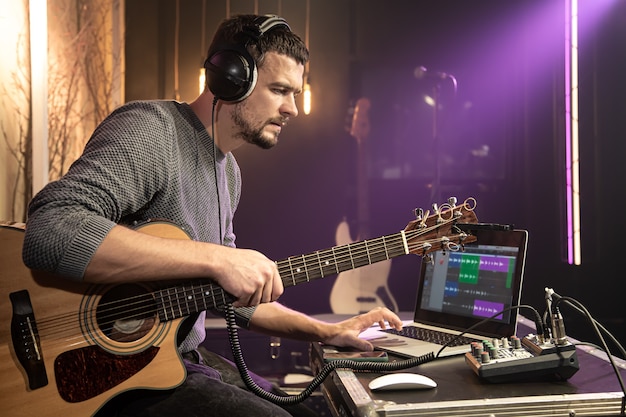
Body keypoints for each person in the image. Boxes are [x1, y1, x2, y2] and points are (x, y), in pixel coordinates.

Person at [22, 13, 403, 417]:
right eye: (279, 90)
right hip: (105, 373)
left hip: (175, 362)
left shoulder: (229, 173)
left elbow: (235, 296)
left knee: (316, 409)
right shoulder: (152, 131)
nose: (292, 108)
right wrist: (219, 259)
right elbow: (51, 229)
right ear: (231, 77)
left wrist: (327, 330)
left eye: (295, 93)